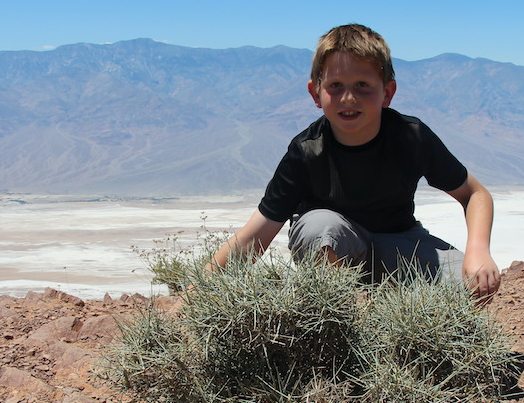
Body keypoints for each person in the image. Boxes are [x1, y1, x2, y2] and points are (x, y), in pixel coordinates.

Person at [207, 23, 501, 301]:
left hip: (398, 246)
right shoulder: (306, 151)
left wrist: (478, 251)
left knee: (470, 285)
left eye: (362, 85)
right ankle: (339, 318)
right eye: (335, 85)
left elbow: (474, 194)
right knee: (319, 227)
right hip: (335, 252)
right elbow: (255, 236)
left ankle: (390, 312)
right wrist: (200, 289)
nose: (348, 98)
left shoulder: (410, 137)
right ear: (316, 93)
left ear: (387, 93)